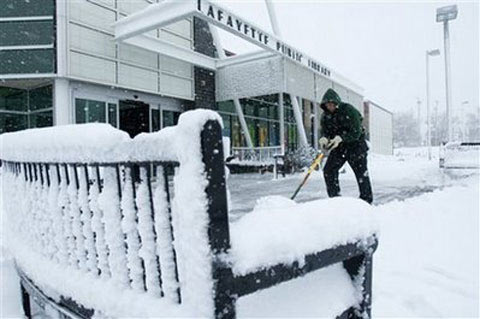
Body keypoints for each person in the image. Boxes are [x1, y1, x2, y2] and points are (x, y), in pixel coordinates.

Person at [319, 88, 373, 204]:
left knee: (361, 174)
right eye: (327, 105)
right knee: (329, 170)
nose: (330, 107)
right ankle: (335, 199)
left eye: (332, 104)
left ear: (337, 103)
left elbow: (356, 132)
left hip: (356, 146)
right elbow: (325, 131)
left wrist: (341, 138)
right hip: (339, 148)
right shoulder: (325, 116)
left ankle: (366, 201)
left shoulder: (349, 110)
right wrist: (324, 138)